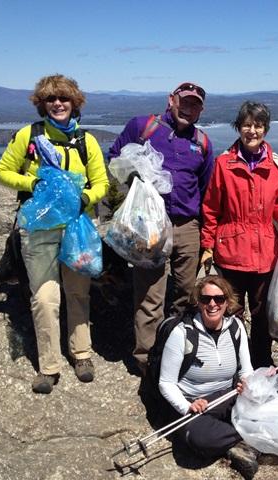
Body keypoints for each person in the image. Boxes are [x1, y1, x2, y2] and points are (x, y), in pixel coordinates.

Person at [0, 74, 110, 393]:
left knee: (77, 291)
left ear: (75, 103)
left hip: (76, 227)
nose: (58, 104)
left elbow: (101, 182)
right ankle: (49, 366)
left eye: (64, 99)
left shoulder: (86, 142)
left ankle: (82, 353)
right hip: (39, 229)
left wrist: (85, 198)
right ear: (42, 104)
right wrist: (33, 185)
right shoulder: (28, 136)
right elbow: (3, 171)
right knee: (45, 296)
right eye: (51, 99)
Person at [109, 82, 214, 375]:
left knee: (185, 292)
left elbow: (206, 190)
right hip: (149, 225)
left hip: (187, 225)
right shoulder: (144, 127)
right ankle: (146, 360)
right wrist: (137, 176)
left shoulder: (203, 143)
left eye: (195, 105)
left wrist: (206, 237)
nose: (189, 109)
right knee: (150, 294)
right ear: (171, 100)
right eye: (185, 102)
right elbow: (114, 158)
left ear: (201, 111)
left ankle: (175, 352)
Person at [158, 275, 278, 479]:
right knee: (199, 437)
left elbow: (245, 370)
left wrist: (249, 385)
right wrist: (187, 406)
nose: (212, 304)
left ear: (227, 301)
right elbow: (166, 383)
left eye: (219, 299)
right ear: (198, 302)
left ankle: (240, 436)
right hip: (197, 406)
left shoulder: (235, 327)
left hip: (229, 394)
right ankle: (255, 432)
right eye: (206, 299)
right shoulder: (182, 334)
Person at [200, 101, 278, 369]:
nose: (252, 130)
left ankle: (261, 361)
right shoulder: (223, 164)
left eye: (258, 125)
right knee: (232, 312)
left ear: (266, 129)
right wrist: (207, 245)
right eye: (247, 125)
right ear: (238, 127)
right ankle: (234, 362)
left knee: (262, 313)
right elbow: (211, 208)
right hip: (231, 253)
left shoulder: (276, 166)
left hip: (265, 254)